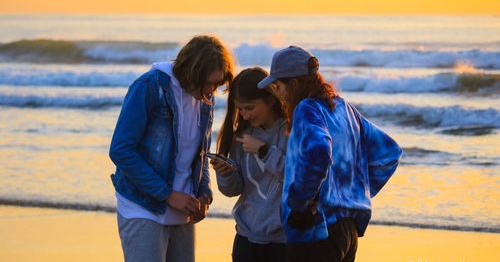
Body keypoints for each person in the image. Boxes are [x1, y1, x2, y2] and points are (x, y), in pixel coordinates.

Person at [257, 46, 403, 262]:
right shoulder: (343, 108)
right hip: (347, 230)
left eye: (278, 86)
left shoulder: (306, 109)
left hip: (316, 232)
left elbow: (319, 151)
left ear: (294, 84)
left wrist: (300, 202)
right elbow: (389, 153)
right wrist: (352, 194)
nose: (278, 94)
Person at [109, 35, 235, 262]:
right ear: (192, 71)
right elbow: (121, 150)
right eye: (208, 82)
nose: (211, 90)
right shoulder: (150, 87)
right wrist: (167, 194)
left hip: (182, 211)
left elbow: (199, 154)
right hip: (143, 206)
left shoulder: (206, 97)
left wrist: (204, 194)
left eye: (216, 84)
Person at [212, 67, 288, 262]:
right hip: (246, 238)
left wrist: (263, 151)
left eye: (250, 107)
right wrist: (226, 173)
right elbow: (233, 190)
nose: (244, 115)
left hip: (283, 241)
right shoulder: (242, 135)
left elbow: (297, 179)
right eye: (240, 109)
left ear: (270, 99)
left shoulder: (290, 131)